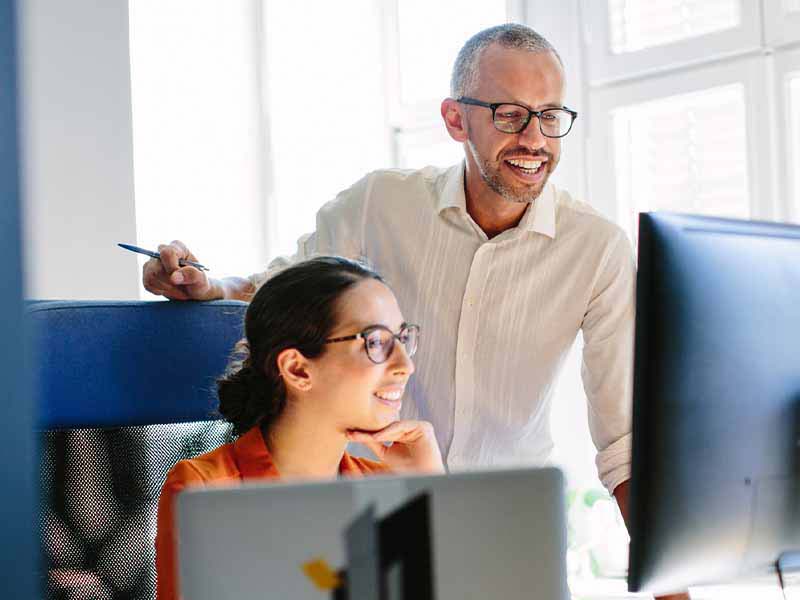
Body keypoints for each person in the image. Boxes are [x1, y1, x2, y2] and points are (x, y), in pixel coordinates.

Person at [145, 24, 687, 599]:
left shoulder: (595, 248)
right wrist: (206, 287)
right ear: (456, 120)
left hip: (500, 533)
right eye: (510, 115)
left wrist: (673, 590)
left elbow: (625, 441)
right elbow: (285, 288)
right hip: (360, 519)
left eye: (551, 116)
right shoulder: (382, 202)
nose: (535, 138)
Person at [155, 256, 444, 600]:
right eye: (377, 342)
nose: (406, 365)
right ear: (298, 370)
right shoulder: (206, 492)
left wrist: (432, 487)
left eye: (403, 338)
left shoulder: (382, 487)